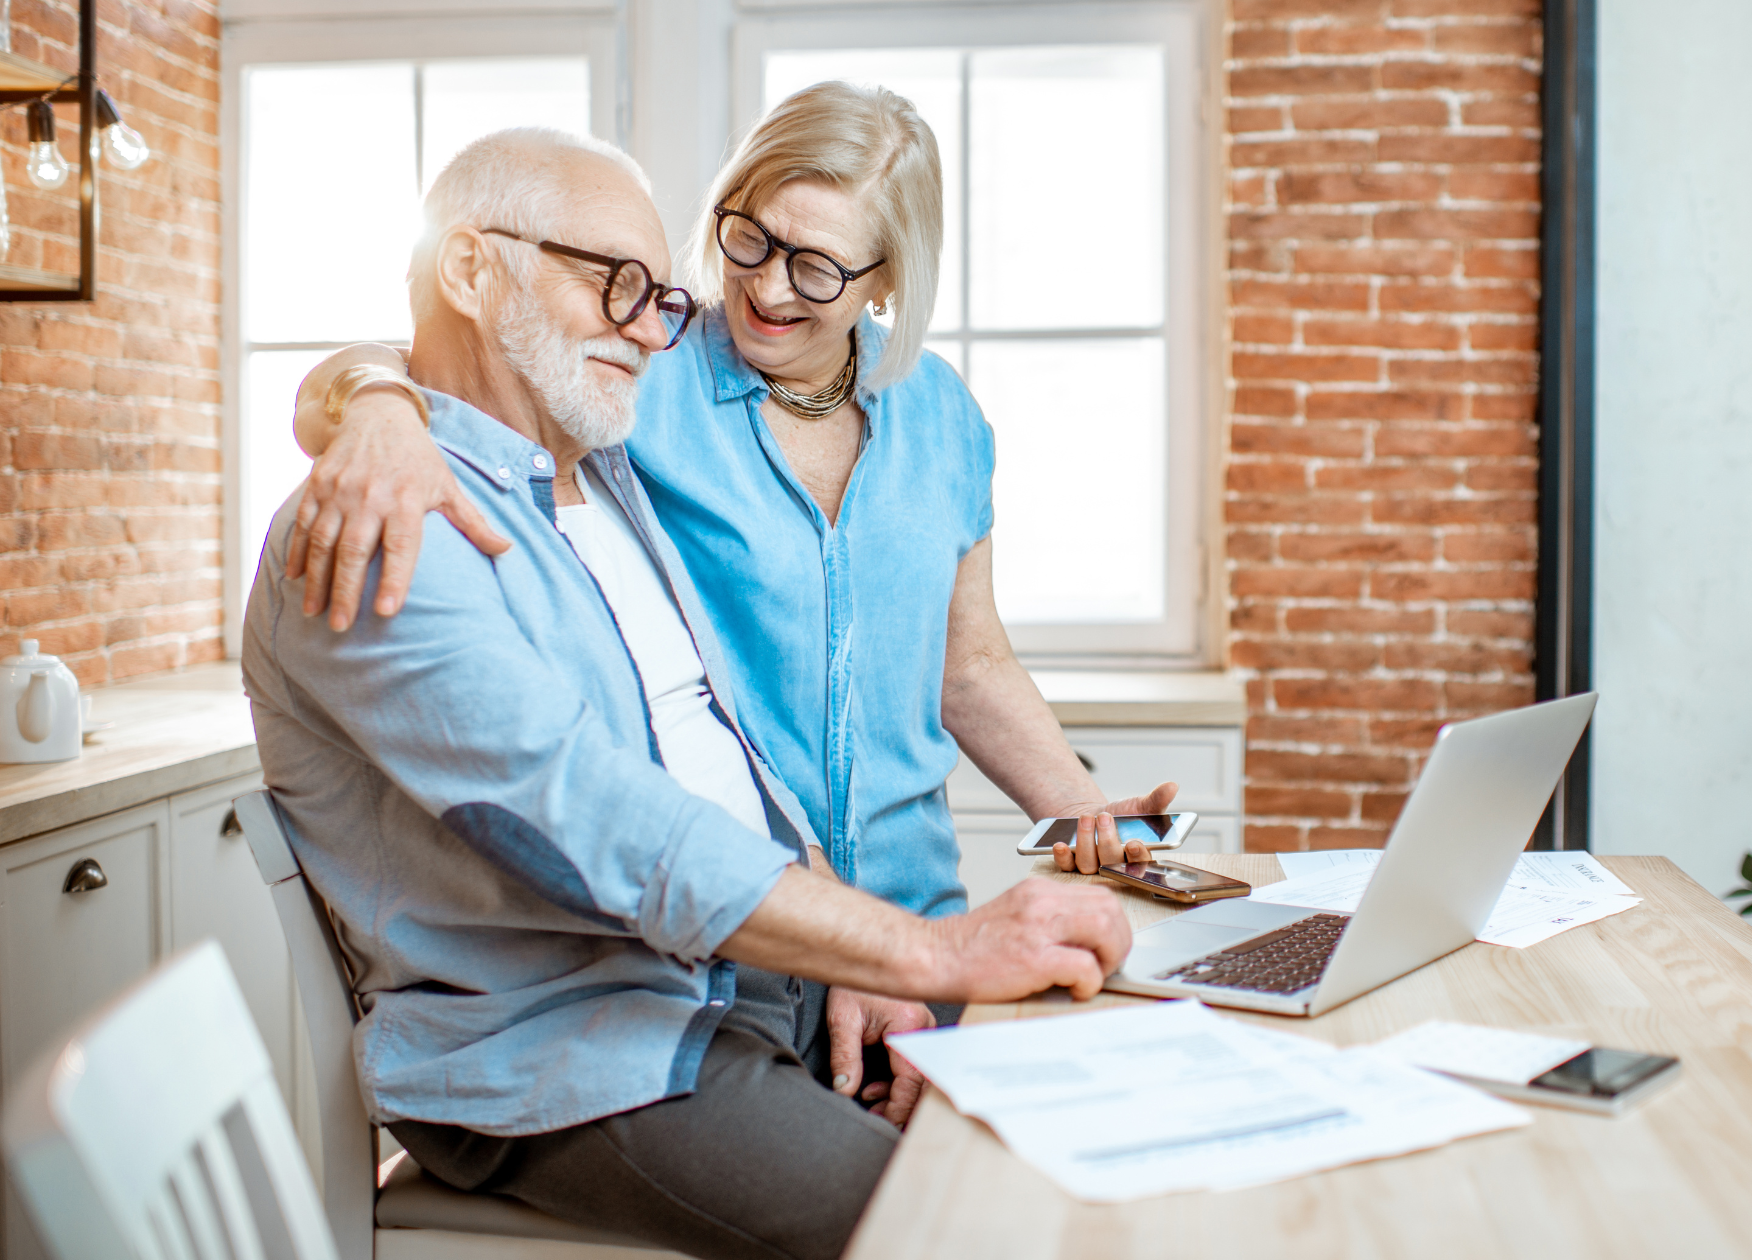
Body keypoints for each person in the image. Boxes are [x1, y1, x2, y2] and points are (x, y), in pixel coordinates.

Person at [244, 126, 1131, 1260]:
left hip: (748, 979)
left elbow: (720, 752)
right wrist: (917, 953)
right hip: (583, 1046)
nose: (650, 324)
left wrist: (856, 955)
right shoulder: (391, 522)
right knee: (966, 1225)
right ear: (471, 269)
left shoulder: (600, 474)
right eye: (611, 281)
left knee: (1080, 1130)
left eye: (655, 293)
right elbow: (591, 814)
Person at [287, 81, 1172, 934]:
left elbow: (970, 664)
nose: (770, 287)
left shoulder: (942, 416)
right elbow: (443, 351)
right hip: (734, 926)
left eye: (818, 269)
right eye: (753, 238)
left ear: (888, 281)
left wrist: (1084, 812)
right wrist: (376, 406)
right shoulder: (642, 365)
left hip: (918, 915)